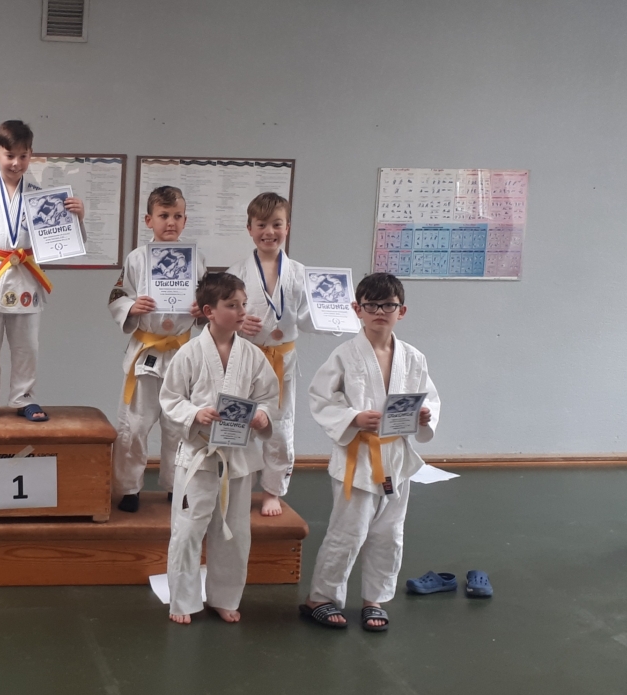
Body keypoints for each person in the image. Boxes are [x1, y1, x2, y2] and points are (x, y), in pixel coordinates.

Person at [300, 273, 440, 631]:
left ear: (401, 311)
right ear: (356, 309)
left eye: (388, 305)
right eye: (371, 305)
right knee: (348, 532)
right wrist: (353, 418)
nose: (380, 312)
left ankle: (374, 599)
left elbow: (429, 399)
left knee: (389, 533)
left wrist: (425, 415)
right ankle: (320, 597)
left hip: (396, 457)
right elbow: (320, 397)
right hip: (358, 457)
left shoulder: (413, 358)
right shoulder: (344, 354)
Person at [159, 272, 279, 624]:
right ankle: (182, 601)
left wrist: (262, 416)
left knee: (234, 532)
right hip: (198, 457)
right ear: (209, 311)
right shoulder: (189, 352)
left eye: (243, 304)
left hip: (237, 458)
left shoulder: (253, 355)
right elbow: (170, 398)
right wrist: (195, 413)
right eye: (232, 305)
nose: (241, 312)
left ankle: (224, 597)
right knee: (187, 531)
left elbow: (268, 397)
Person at [0, 120, 84, 424]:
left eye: (23, 156)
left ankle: (25, 398)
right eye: (10, 156)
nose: (16, 163)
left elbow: (59, 242)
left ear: (31, 155)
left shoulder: (40, 198)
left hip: (25, 279)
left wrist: (76, 218)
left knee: (27, 347)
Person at [108, 186, 207, 512]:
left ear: (185, 220)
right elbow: (117, 296)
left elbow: (209, 304)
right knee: (134, 425)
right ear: (149, 220)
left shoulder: (196, 260)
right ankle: (129, 488)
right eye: (164, 215)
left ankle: (177, 486)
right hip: (146, 352)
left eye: (177, 216)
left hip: (182, 352)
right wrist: (132, 306)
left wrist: (201, 310)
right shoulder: (137, 259)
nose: (171, 222)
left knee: (179, 425)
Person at [226, 192, 317, 516]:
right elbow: (222, 316)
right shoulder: (235, 273)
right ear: (249, 228)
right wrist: (237, 322)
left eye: (276, 224)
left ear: (287, 227)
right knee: (241, 420)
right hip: (246, 358)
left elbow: (308, 319)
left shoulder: (300, 273)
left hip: (282, 360)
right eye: (261, 224)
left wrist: (335, 313)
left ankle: (272, 491)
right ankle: (237, 485)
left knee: (280, 426)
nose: (269, 232)